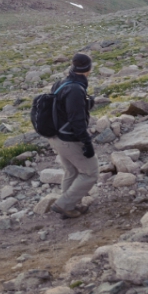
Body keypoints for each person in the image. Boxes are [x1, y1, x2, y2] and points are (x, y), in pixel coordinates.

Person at [48, 53, 98, 219]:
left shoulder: (62, 83)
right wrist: (87, 143)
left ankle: (70, 206)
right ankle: (63, 204)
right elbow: (77, 121)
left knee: (72, 171)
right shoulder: (76, 89)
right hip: (68, 139)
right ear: (87, 69)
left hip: (55, 136)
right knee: (90, 173)